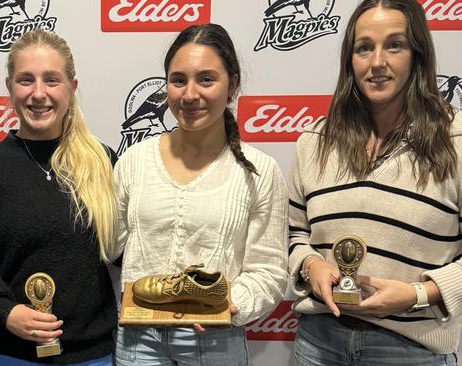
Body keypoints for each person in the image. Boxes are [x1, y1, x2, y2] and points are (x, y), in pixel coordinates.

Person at [288, 1, 462, 365]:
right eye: (364, 47)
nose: (377, 61)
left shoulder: (456, 138)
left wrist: (420, 293)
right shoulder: (315, 141)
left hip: (411, 349)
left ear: (417, 55)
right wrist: (311, 266)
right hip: (318, 343)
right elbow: (294, 234)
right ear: (350, 59)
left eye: (394, 45)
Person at [112, 23, 289, 366]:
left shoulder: (260, 170)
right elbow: (110, 245)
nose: (190, 94)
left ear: (232, 84)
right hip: (138, 338)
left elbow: (268, 271)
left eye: (206, 79)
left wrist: (226, 305)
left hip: (215, 340)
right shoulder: (134, 161)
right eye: (178, 80)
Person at [0, 29, 118, 366]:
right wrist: (5, 311)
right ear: (10, 88)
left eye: (52, 80)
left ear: (71, 88)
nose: (38, 93)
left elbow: (128, 250)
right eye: (26, 80)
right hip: (7, 353)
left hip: (90, 354)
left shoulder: (103, 161)